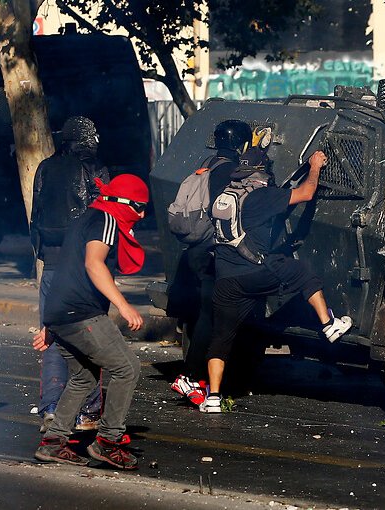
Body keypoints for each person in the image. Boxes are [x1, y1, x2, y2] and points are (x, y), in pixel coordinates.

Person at [199, 148, 353, 413]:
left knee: (221, 337)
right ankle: (329, 325)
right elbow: (306, 193)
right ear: (262, 172)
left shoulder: (225, 194)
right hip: (254, 273)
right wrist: (314, 166)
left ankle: (213, 397)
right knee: (302, 272)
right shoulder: (262, 196)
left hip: (225, 278)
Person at [33, 173, 147, 469]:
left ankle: (54, 443)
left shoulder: (85, 219)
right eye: (138, 206)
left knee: (84, 377)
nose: (142, 214)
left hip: (61, 312)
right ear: (122, 202)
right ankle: (108, 442)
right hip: (81, 313)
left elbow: (65, 270)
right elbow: (92, 264)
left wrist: (51, 323)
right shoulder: (107, 220)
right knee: (127, 369)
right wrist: (124, 306)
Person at [30, 115, 109, 433]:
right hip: (84, 262)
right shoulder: (96, 169)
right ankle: (87, 411)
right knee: (90, 335)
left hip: (51, 262)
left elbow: (36, 213)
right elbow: (104, 215)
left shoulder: (45, 168)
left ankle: (50, 406)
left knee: (52, 334)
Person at [169, 120, 253, 401]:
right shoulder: (230, 172)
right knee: (212, 315)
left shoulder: (205, 164)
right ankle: (190, 376)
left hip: (194, 251)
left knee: (205, 315)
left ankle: (198, 375)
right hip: (212, 252)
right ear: (241, 145)